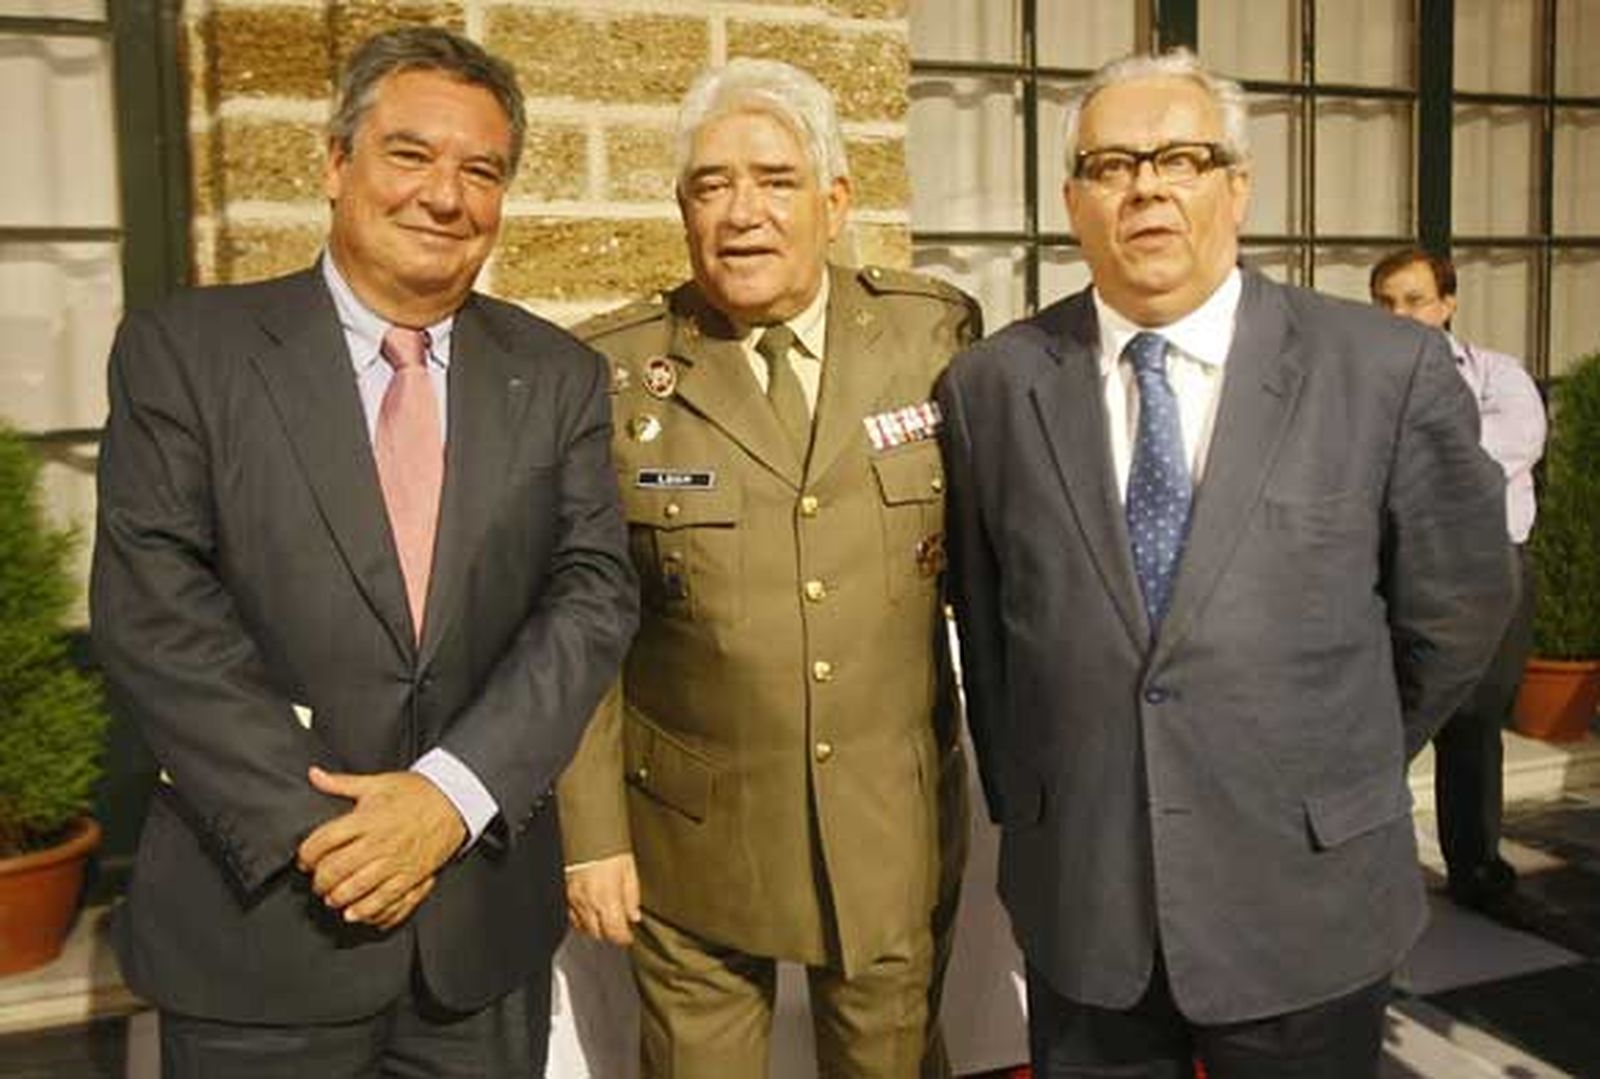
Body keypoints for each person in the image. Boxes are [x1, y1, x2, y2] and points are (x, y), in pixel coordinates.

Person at [937, 49, 1514, 1079]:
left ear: (1237, 186)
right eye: (1110, 163)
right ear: (1072, 199)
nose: (1146, 185)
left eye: (1181, 158)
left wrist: (1334, 755)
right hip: (1084, 899)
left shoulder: (1381, 370)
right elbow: (988, 630)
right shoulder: (992, 386)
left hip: (1305, 898)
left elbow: (1458, 608)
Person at [90, 27, 637, 1077]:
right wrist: (335, 837)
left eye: (481, 171)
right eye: (411, 154)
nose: (446, 194)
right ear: (335, 163)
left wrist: (447, 798)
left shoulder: (557, 374)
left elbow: (591, 598)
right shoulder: (186, 352)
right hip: (261, 932)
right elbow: (155, 614)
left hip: (475, 943)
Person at [555, 57, 980, 1079]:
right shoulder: (610, 373)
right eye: (710, 185)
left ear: (835, 202)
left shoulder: (930, 335)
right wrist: (589, 835)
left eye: (775, 179)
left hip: (890, 819)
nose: (740, 211)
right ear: (683, 208)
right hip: (689, 833)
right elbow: (579, 626)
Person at [1371, 247, 1547, 915]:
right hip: (1392, 567)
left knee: (1474, 723)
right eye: (1386, 302)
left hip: (1490, 570)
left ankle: (1475, 867)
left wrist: (1406, 465)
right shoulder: (1365, 383)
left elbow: (1504, 450)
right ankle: (1369, 869)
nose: (1400, 314)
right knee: (1380, 718)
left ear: (1446, 304)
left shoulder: (1498, 376)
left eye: (1414, 300)